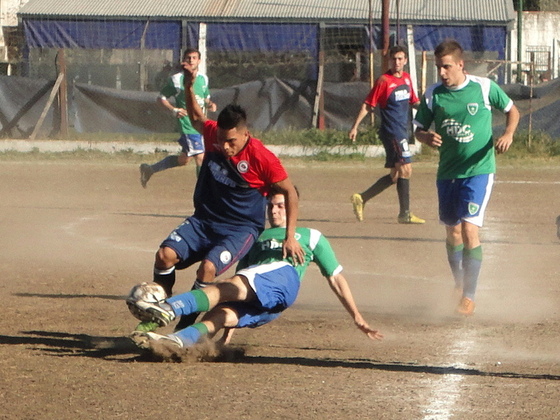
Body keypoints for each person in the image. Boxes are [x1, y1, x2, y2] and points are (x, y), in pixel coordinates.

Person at [137, 60, 304, 333]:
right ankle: (160, 309)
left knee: (207, 271)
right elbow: (196, 118)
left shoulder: (262, 158)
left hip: (240, 229)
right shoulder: (214, 134)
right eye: (222, 141)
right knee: (164, 255)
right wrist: (190, 86)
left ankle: (184, 326)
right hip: (204, 220)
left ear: (245, 134)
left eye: (232, 142)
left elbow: (289, 192)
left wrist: (289, 234)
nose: (224, 147)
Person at [129, 187, 384, 351]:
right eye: (271, 205)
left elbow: (336, 278)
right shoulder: (255, 236)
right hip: (269, 303)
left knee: (222, 288)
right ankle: (177, 342)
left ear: (293, 208)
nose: (274, 211)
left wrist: (357, 317)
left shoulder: (310, 236)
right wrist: (227, 337)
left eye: (281, 206)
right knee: (222, 312)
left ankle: (168, 308)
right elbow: (239, 285)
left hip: (282, 277)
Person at [413, 40, 520, 316]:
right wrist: (425, 136)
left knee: (470, 229)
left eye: (447, 66)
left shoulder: (484, 87)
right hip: (447, 173)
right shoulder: (433, 94)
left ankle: (469, 297)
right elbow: (417, 128)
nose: (442, 73)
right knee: (452, 231)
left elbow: (512, 110)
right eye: (439, 67)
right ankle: (459, 284)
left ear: (461, 65)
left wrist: (507, 134)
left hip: (479, 170)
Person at [348, 45, 424, 224]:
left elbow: (415, 102)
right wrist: (355, 126)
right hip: (392, 133)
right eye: (393, 59)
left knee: (396, 175)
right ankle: (404, 214)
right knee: (406, 169)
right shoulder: (384, 81)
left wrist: (432, 110)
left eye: (400, 59)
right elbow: (368, 105)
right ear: (389, 61)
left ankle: (361, 198)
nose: (397, 62)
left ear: (405, 60)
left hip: (402, 132)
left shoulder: (406, 79)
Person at [140, 48, 217, 187]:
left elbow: (205, 98)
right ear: (184, 60)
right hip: (187, 124)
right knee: (200, 157)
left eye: (194, 58)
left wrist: (210, 104)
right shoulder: (177, 79)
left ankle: (150, 169)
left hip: (201, 124)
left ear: (199, 61)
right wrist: (174, 110)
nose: (191, 60)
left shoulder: (203, 78)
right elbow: (161, 98)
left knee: (184, 160)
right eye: (188, 58)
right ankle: (204, 193)